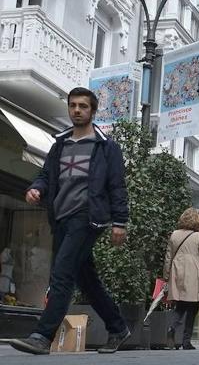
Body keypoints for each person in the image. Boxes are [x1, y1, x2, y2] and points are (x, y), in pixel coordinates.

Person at [10, 87, 130, 355]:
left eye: (83, 106)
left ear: (93, 110)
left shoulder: (106, 147)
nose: (77, 110)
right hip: (61, 218)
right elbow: (46, 175)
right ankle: (118, 327)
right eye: (73, 105)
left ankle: (42, 335)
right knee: (86, 280)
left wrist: (120, 222)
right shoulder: (59, 145)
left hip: (88, 217)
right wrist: (37, 188)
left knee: (62, 273)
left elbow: (117, 186)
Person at [163, 208, 199, 350]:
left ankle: (172, 328)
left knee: (180, 305)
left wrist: (166, 276)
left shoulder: (174, 235)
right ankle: (186, 340)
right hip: (193, 271)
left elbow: (168, 257)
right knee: (193, 305)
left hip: (177, 270)